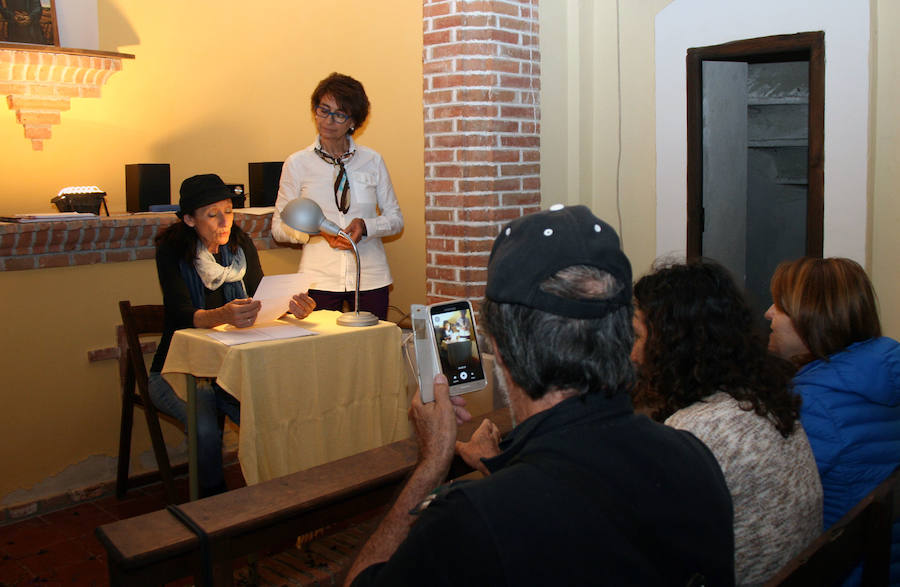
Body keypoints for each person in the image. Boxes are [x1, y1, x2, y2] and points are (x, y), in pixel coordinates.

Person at [344, 205, 735, 586]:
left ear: (501, 348)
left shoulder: (473, 520)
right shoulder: (694, 458)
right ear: (623, 336)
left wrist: (431, 464)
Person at [632, 259, 823, 585]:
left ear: (672, 346)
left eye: (637, 336)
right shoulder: (761, 400)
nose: (633, 354)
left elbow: (643, 548)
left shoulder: (694, 433)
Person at [149, 174, 316, 497]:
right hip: (179, 371)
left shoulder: (240, 245)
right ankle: (214, 507)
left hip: (230, 368)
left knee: (270, 418)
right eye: (212, 214)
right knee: (205, 430)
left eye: (228, 211)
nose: (225, 221)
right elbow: (180, 313)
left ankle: (279, 494)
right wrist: (221, 315)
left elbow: (260, 299)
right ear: (189, 220)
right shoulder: (172, 251)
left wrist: (291, 306)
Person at [766, 256, 900, 583]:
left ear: (812, 318)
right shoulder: (882, 373)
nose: (768, 313)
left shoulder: (812, 405)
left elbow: (768, 513)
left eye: (780, 307)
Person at [271, 73, 403, 320]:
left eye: (339, 114)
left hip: (370, 277)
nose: (328, 121)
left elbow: (395, 220)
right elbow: (278, 227)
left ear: (353, 121)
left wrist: (365, 227)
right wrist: (316, 232)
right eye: (324, 110)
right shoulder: (297, 163)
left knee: (371, 343)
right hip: (318, 279)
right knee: (321, 344)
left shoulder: (372, 161)